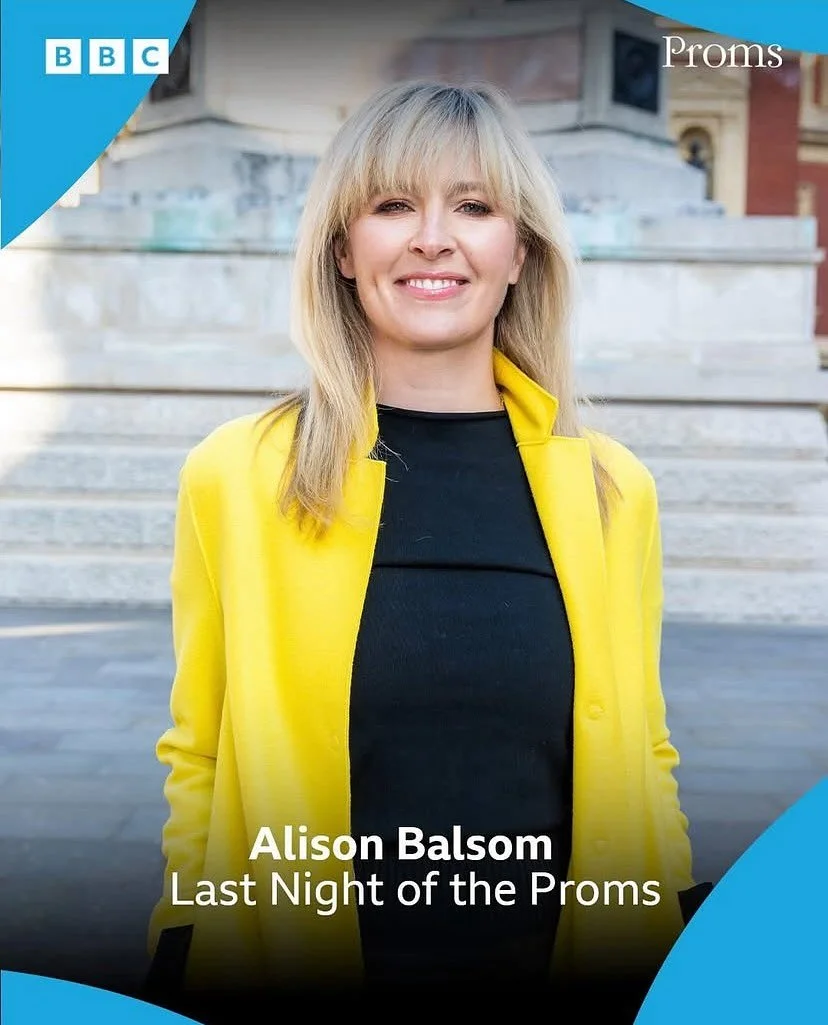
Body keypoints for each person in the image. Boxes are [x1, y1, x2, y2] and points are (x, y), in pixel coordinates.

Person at [145, 78, 703, 1018]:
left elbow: (646, 750)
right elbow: (198, 751)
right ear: (342, 247)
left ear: (520, 251)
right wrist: (182, 943)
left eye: (475, 207)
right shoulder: (236, 477)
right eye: (393, 204)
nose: (432, 238)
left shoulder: (613, 489)